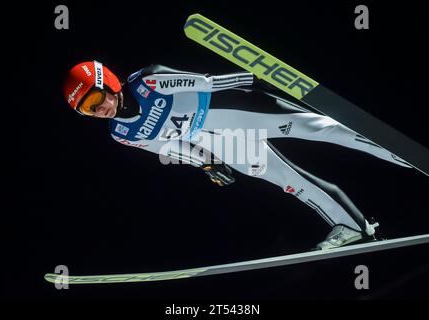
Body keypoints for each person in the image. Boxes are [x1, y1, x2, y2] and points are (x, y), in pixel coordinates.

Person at [63, 60, 411, 250]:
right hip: (223, 143)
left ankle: (407, 157)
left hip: (238, 109)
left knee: (327, 131)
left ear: (108, 81)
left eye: (96, 99)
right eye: (88, 111)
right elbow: (170, 149)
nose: (100, 110)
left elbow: (205, 82)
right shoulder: (122, 133)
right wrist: (208, 164)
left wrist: (254, 78)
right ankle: (353, 226)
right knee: (290, 183)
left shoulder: (148, 81)